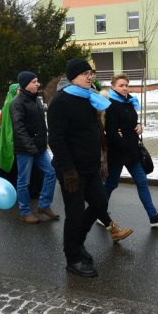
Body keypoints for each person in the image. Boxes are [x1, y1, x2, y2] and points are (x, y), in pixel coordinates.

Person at [48, 58, 111, 277]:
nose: (90, 76)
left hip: (90, 167)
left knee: (100, 203)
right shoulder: (61, 102)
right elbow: (56, 139)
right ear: (72, 76)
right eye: (85, 73)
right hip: (71, 170)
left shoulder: (89, 98)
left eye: (91, 73)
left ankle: (77, 242)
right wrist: (68, 171)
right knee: (74, 213)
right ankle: (72, 258)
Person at [104, 73, 158, 227]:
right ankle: (99, 212)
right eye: (121, 85)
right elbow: (111, 131)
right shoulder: (110, 104)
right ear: (113, 87)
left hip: (132, 151)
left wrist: (139, 126)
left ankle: (153, 217)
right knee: (111, 184)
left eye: (126, 85)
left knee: (142, 181)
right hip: (118, 152)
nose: (124, 88)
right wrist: (124, 143)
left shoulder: (128, 102)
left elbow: (132, 121)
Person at [10, 71, 58, 223]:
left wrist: (46, 141)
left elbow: (41, 125)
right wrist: (31, 147)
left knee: (51, 173)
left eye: (37, 81)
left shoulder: (36, 100)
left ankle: (44, 205)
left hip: (40, 147)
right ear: (25, 84)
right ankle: (25, 212)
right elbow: (19, 129)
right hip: (25, 149)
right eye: (34, 81)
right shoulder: (16, 103)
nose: (37, 84)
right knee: (24, 181)